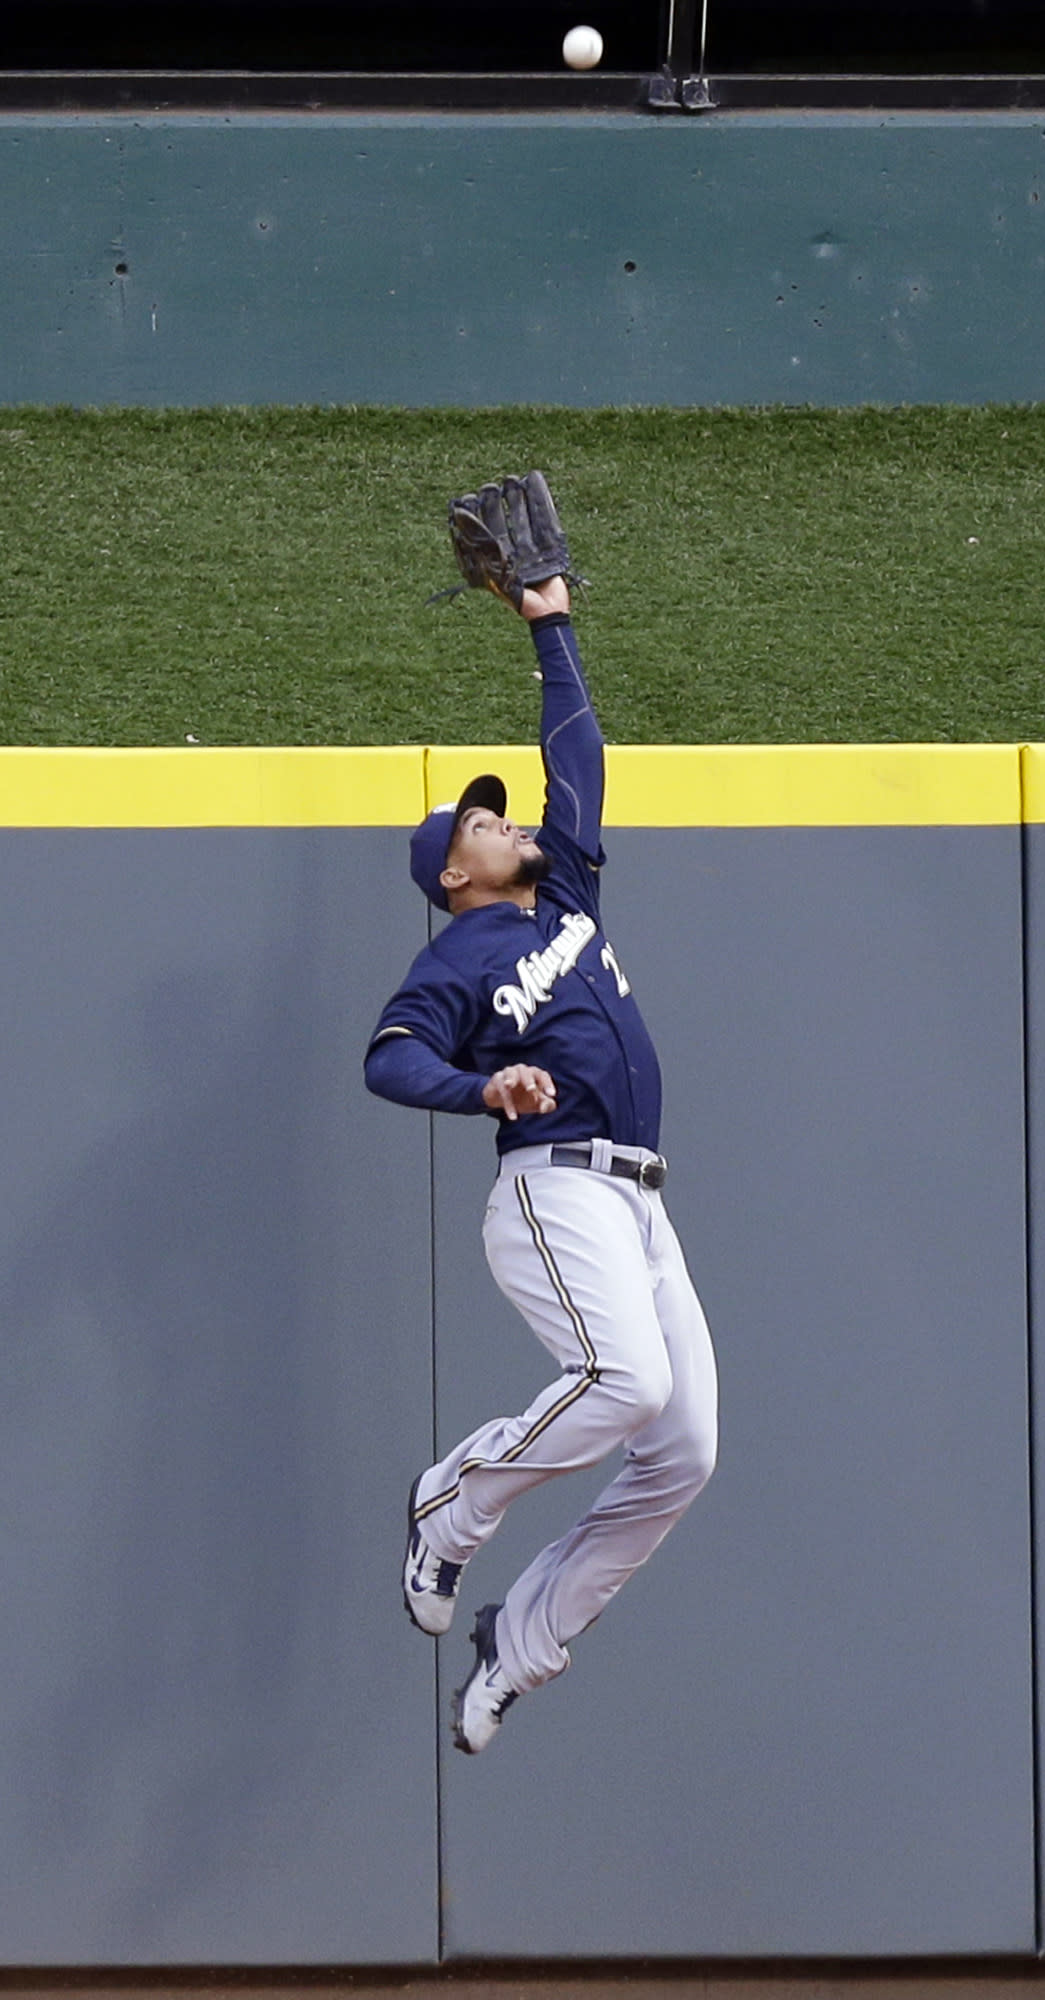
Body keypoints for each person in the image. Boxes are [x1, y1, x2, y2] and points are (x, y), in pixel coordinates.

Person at [364, 501, 718, 1756]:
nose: (505, 820)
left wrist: (551, 626)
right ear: (454, 873)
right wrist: (481, 1088)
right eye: (478, 824)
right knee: (628, 1381)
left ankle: (522, 1643)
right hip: (550, 1193)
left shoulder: (560, 887)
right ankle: (450, 1501)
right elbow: (389, 1056)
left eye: (498, 814)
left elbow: (578, 761)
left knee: (683, 1449)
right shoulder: (461, 951)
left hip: (636, 1200)